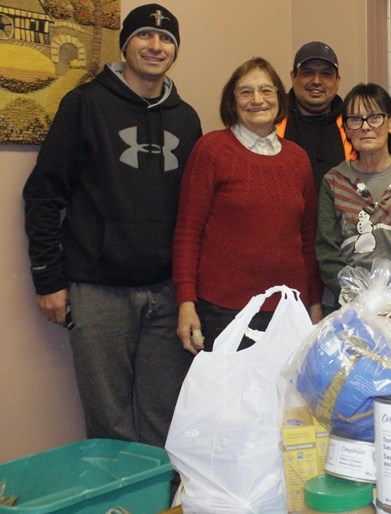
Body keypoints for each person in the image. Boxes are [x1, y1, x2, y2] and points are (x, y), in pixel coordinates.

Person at [22, 4, 201, 447]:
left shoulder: (187, 118)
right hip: (98, 291)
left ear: (175, 51)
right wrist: (48, 278)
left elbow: (197, 213)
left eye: (165, 40)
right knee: (109, 428)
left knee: (169, 421)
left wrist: (191, 290)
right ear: (126, 44)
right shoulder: (85, 104)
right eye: (144, 36)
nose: (155, 47)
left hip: (167, 294)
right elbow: (44, 194)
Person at [173, 57, 323, 354]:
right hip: (224, 312)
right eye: (246, 92)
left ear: (280, 99)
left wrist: (314, 303)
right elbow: (188, 232)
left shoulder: (298, 158)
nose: (257, 100)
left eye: (267, 91)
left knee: (285, 400)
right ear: (233, 101)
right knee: (228, 400)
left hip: (287, 311)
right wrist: (186, 302)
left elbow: (308, 241)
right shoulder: (211, 149)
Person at [316, 83, 391, 304]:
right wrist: (360, 301)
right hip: (348, 308)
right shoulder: (334, 181)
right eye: (355, 119)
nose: (365, 127)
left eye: (374, 117)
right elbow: (327, 254)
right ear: (346, 129)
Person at [277, 41, 356, 189]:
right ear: (293, 77)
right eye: (308, 72)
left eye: (326, 74)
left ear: (337, 81)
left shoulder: (353, 124)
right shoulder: (272, 120)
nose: (316, 81)